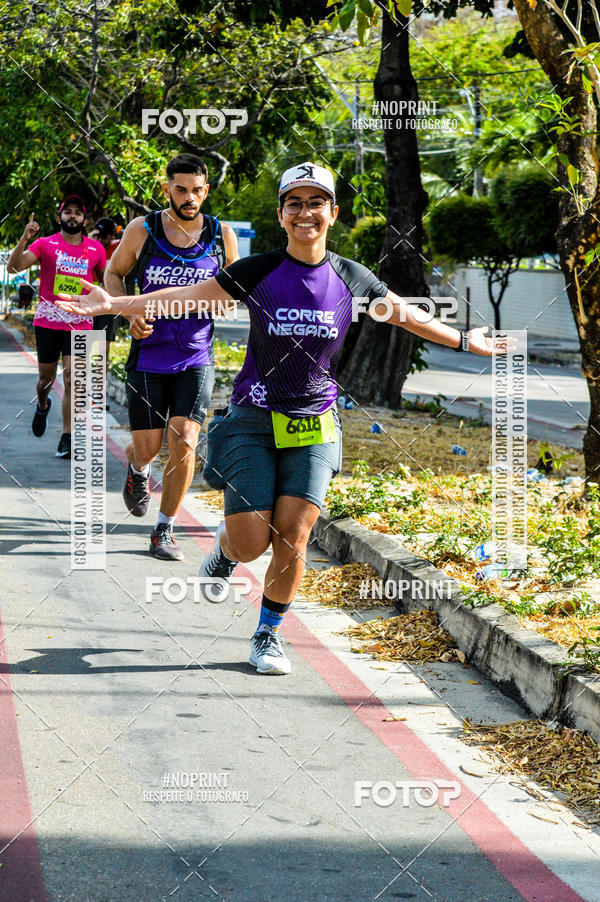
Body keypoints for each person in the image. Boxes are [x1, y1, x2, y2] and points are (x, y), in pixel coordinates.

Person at [56, 161, 508, 675]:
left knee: (294, 533)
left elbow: (405, 312)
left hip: (315, 421)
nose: (305, 212)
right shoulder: (259, 271)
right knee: (252, 539)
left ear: (332, 214)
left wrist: (463, 339)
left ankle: (267, 635)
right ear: (281, 214)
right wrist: (114, 303)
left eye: (316, 202)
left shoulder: (350, 277)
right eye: (294, 203)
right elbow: (183, 298)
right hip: (253, 417)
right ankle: (226, 553)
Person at [104, 154, 239, 561]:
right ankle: (137, 467)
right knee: (148, 448)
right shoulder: (142, 230)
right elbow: (114, 275)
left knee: (184, 439)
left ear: (206, 190)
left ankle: (164, 529)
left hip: (196, 357)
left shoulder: (220, 234)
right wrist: (131, 311)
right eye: (180, 189)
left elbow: (235, 286)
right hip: (148, 357)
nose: (189, 197)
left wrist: (227, 304)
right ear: (167, 189)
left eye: (197, 190)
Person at [7, 195, 106, 459]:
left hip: (81, 321)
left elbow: (107, 282)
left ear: (84, 219)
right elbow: (14, 267)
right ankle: (42, 403)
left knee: (73, 377)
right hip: (48, 321)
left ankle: (67, 437)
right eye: (68, 212)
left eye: (77, 213)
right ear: (59, 217)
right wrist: (25, 238)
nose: (72, 216)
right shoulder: (45, 244)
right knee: (46, 379)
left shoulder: (96, 250)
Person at [89, 217, 122, 402]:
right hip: (86, 304)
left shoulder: (117, 247)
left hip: (107, 304)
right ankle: (82, 392)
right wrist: (89, 242)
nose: (103, 240)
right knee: (83, 347)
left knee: (103, 349)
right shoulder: (87, 245)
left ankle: (98, 395)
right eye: (99, 236)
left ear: (112, 236)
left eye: (106, 236)